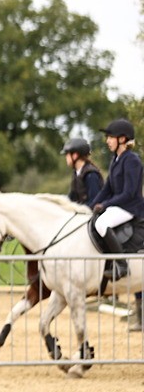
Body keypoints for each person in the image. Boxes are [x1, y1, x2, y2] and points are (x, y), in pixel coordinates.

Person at [88, 118, 143, 282]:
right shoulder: (115, 160)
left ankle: (122, 265)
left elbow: (129, 193)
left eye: (110, 137)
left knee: (102, 223)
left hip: (131, 207)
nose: (107, 141)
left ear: (122, 139)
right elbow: (107, 189)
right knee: (93, 219)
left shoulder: (131, 160)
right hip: (119, 205)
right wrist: (90, 207)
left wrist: (104, 205)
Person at [62, 136, 103, 206]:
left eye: (67, 154)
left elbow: (94, 201)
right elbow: (72, 197)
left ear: (75, 155)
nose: (66, 157)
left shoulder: (91, 174)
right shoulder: (76, 173)